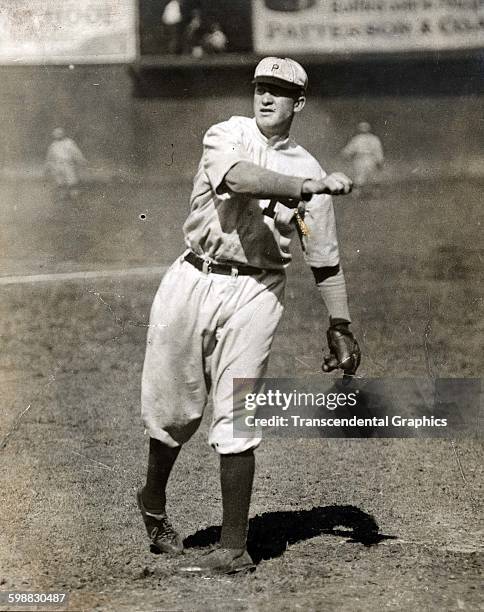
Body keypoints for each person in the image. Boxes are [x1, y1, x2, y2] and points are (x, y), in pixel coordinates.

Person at [137, 57, 360, 575]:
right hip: (193, 278)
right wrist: (307, 189)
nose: (266, 98)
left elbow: (323, 260)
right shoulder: (227, 133)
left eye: (279, 92)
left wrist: (340, 324)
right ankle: (151, 497)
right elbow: (238, 180)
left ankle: (235, 546)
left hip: (258, 289)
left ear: (298, 103)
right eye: (261, 87)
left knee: (238, 410)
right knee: (173, 409)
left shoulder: (311, 169)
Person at [45, 127, 87, 201]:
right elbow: (49, 156)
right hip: (57, 165)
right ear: (54, 135)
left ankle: (74, 195)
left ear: (63, 134)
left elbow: (76, 152)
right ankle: (63, 195)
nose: (58, 135)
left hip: (68, 164)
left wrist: (81, 160)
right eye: (56, 134)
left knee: (71, 180)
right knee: (60, 181)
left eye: (60, 133)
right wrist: (48, 165)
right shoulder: (53, 145)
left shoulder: (69, 142)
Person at [342, 122, 384, 189]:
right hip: (370, 159)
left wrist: (345, 155)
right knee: (373, 176)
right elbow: (378, 151)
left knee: (359, 177)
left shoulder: (357, 139)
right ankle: (375, 194)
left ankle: (358, 195)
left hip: (360, 159)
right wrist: (380, 161)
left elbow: (348, 150)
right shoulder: (374, 139)